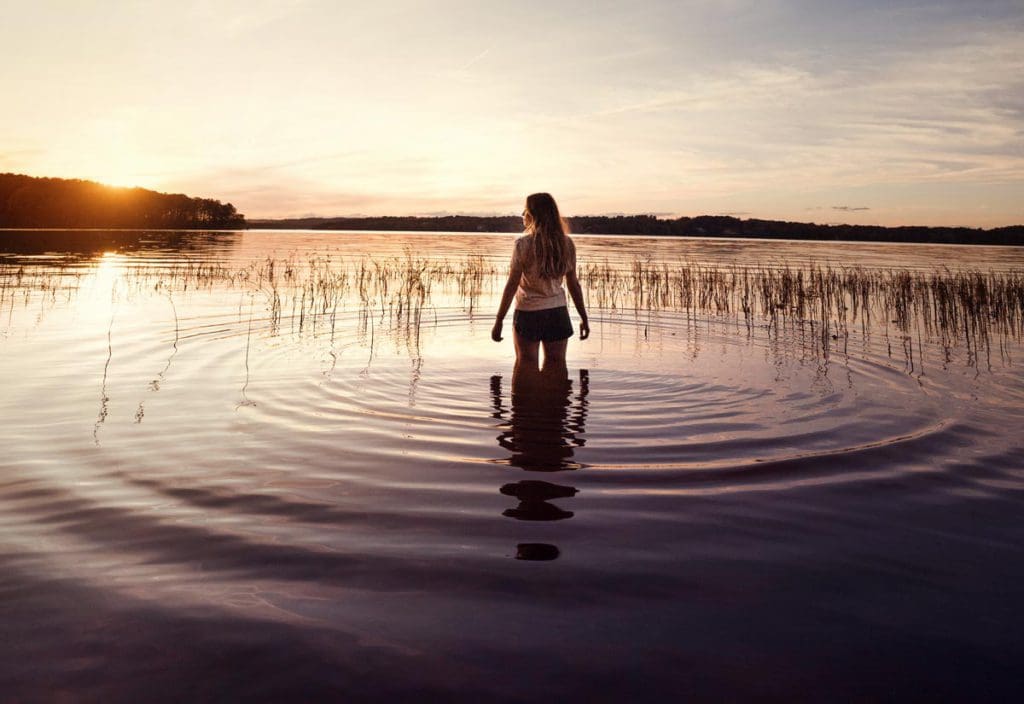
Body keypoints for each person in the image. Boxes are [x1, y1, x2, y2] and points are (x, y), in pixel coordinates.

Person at [491, 193, 589, 365]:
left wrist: (499, 320)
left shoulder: (523, 245)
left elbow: (511, 286)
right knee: (557, 368)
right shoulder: (566, 244)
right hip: (557, 314)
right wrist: (584, 318)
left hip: (528, 314)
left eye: (525, 210)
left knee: (525, 369)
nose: (523, 214)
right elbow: (573, 284)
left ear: (533, 215)